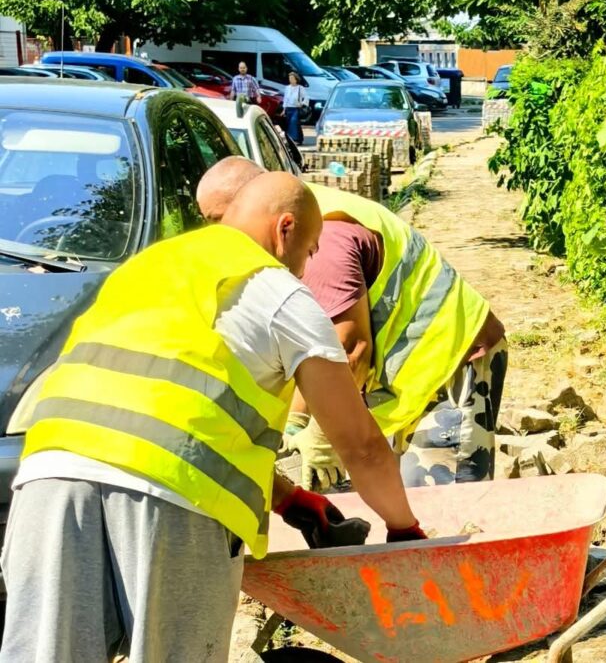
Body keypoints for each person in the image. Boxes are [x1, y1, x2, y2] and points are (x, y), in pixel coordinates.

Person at [0, 172, 425, 663]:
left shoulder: (146, 267)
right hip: (171, 501)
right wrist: (403, 529)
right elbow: (362, 447)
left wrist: (287, 499)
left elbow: (160, 412)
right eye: (310, 251)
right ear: (285, 229)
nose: (307, 266)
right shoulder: (280, 293)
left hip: (47, 479)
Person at [198, 158, 507, 487]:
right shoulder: (295, 219)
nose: (219, 234)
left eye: (220, 219)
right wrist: (296, 423)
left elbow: (350, 350)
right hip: (412, 379)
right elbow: (312, 351)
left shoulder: (319, 239)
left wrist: (321, 434)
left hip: (451, 364)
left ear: (254, 201)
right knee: (407, 498)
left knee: (442, 506)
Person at [281, 70, 306, 145]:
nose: (290, 80)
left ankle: (294, 139)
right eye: (290, 78)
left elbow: (306, 98)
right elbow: (285, 99)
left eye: (292, 78)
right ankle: (298, 138)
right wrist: (284, 109)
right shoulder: (287, 88)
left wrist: (301, 104)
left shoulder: (300, 88)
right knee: (291, 124)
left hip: (296, 108)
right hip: (288, 108)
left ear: (296, 79)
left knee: (293, 122)